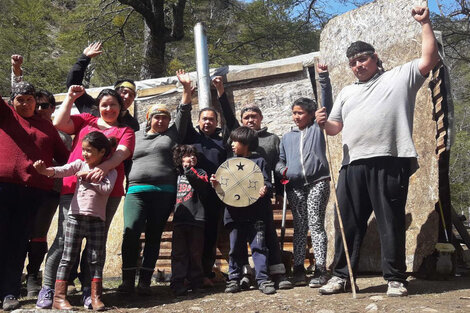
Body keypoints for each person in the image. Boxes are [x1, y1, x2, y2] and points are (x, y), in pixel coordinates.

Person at [315, 6, 439, 297]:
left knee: (390, 221)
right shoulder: (346, 92)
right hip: (352, 164)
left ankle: (395, 279)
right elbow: (335, 128)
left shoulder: (400, 77)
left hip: (390, 160)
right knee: (347, 223)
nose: (358, 65)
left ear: (375, 58)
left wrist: (425, 23)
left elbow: (429, 58)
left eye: (363, 58)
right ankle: (341, 276)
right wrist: (324, 122)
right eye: (353, 62)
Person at [36, 85, 135, 309]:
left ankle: (89, 292)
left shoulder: (125, 131)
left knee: (95, 245)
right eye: (104, 105)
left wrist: (102, 170)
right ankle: (49, 289)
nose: (108, 109)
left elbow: (121, 154)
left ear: (121, 108)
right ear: (98, 107)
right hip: (73, 187)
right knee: (63, 241)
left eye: (113, 105)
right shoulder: (86, 120)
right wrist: (70, 98)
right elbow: (59, 123)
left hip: (107, 193)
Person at [212, 77, 292, 290]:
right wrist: (220, 91)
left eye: (253, 116)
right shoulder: (236, 141)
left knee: (265, 241)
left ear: (260, 118)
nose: (249, 120)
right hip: (236, 206)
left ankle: (271, 276)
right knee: (237, 245)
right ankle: (241, 276)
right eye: (245, 117)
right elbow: (229, 119)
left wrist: (276, 190)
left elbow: (277, 168)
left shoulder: (272, 139)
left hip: (260, 203)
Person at [118, 70, 192, 295]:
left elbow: (184, 111)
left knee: (154, 236)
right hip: (136, 191)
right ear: (148, 118)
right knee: (130, 232)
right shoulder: (134, 134)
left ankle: (145, 282)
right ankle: (128, 279)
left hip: (164, 192)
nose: (160, 120)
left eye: (165, 117)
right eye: (156, 117)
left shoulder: (172, 135)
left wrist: (187, 90)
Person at [0, 82, 69, 311]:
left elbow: (65, 157)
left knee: (19, 241)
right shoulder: (7, 116)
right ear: (13, 102)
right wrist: (16, 71)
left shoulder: (47, 127)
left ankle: (10, 292)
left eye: (30, 99)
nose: (27, 103)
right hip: (3, 186)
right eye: (21, 99)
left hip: (33, 191)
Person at [10, 54, 73, 298]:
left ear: (52, 108)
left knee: (38, 232)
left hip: (50, 190)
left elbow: (70, 157)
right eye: (38, 104)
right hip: (20, 185)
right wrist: (16, 71)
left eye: (45, 105)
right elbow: (13, 96)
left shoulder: (60, 131)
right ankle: (13, 279)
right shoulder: (20, 123)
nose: (40, 108)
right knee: (15, 233)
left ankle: (33, 276)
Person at [33, 131, 117, 311]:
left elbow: (106, 189)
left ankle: (95, 297)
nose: (85, 154)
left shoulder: (110, 171)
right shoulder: (79, 164)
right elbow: (62, 170)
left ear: (102, 152)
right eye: (84, 150)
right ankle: (59, 297)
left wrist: (88, 178)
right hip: (75, 218)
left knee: (96, 258)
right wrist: (45, 171)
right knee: (68, 256)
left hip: (97, 220)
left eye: (89, 150)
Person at [276, 63, 333, 288]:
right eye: (294, 113)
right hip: (295, 186)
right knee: (300, 227)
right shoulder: (287, 137)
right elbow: (280, 161)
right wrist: (283, 171)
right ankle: (298, 269)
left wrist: (323, 78)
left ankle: (320, 269)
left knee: (316, 224)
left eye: (300, 113)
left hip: (318, 181)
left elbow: (326, 105)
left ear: (310, 115)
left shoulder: (317, 128)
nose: (296, 117)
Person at [210, 126, 276, 295]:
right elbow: (223, 185)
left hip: (256, 214)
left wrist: (265, 189)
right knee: (235, 249)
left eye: (236, 141)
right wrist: (215, 184)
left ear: (246, 143)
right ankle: (234, 279)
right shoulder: (229, 163)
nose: (232, 144)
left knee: (259, 247)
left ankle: (262, 279)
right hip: (234, 214)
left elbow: (267, 183)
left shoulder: (260, 161)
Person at [183, 91, 231, 286]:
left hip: (214, 195)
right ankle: (188, 274)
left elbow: (232, 121)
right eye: (204, 119)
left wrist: (222, 94)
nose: (207, 122)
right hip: (192, 194)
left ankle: (205, 272)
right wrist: (186, 92)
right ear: (199, 120)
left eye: (211, 119)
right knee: (192, 235)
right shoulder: (191, 136)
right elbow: (182, 117)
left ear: (216, 122)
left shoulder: (223, 141)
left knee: (211, 234)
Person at [66, 42, 139, 131]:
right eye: (124, 92)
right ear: (115, 93)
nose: (127, 97)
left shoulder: (132, 124)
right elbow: (73, 84)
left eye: (131, 95)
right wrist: (85, 58)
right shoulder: (91, 108)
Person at [170, 145, 209, 296]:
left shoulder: (200, 172)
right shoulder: (176, 175)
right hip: (180, 219)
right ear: (179, 159)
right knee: (179, 252)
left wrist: (189, 171)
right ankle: (177, 282)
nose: (192, 158)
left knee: (195, 252)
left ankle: (197, 282)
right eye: (187, 155)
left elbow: (201, 186)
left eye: (194, 155)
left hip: (197, 218)